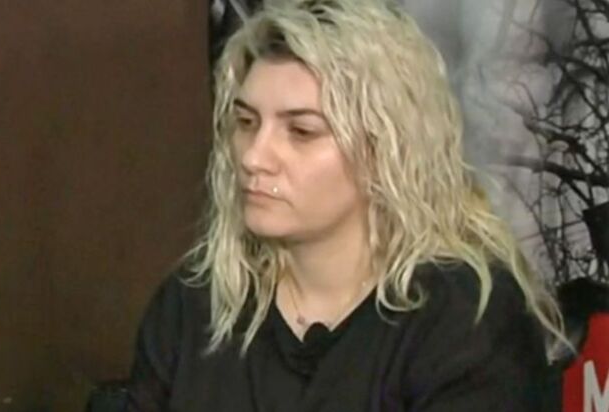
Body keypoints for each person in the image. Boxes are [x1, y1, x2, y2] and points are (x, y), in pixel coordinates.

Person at [126, 0, 567, 410]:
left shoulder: (464, 320)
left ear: (384, 149)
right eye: (246, 122)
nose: (253, 157)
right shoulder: (190, 308)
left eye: (301, 132)